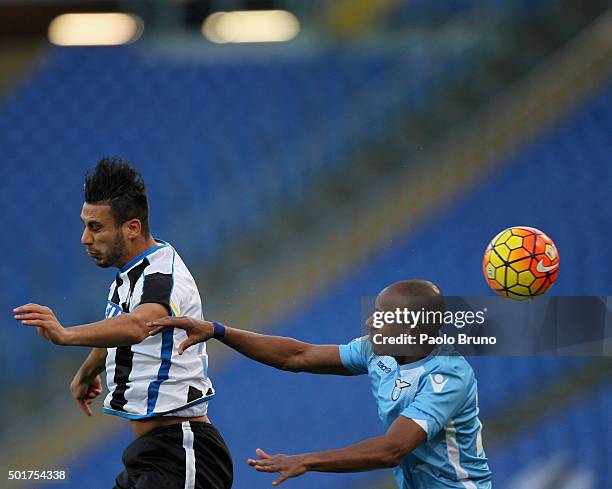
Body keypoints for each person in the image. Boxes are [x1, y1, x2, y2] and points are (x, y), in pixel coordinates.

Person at [14, 157, 232, 489]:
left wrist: (65, 334)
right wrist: (87, 372)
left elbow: (139, 326)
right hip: (153, 454)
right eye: (85, 225)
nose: (85, 238)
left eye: (96, 227)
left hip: (183, 451)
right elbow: (122, 329)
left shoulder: (161, 274)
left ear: (131, 227)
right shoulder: (129, 277)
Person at [147, 279, 492, 488]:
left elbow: (393, 450)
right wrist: (220, 331)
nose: (372, 321)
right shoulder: (379, 351)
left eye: (385, 317)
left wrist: (308, 460)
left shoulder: (447, 377)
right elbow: (297, 355)